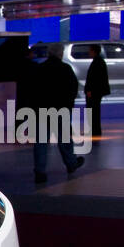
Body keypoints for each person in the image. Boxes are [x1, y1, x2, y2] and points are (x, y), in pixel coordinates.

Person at [33, 46, 84, 184]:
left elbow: (33, 90)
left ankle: (40, 171)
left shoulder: (40, 68)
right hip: (61, 110)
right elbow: (73, 88)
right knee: (65, 140)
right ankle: (71, 164)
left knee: (41, 143)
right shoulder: (66, 69)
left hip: (43, 110)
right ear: (60, 54)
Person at [84, 44, 109, 139]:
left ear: (94, 51)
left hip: (94, 92)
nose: (88, 52)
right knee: (94, 111)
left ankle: (94, 130)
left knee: (93, 111)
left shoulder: (97, 63)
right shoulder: (99, 62)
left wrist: (90, 90)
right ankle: (94, 129)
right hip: (97, 91)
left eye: (90, 50)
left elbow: (94, 79)